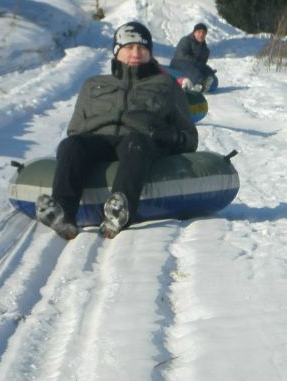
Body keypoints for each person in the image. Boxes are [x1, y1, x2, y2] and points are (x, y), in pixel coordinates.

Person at [35, 21, 199, 240]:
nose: (135, 53)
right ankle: (64, 214)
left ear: (149, 53)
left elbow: (190, 137)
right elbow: (74, 130)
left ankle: (119, 211)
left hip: (141, 143)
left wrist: (169, 136)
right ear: (116, 51)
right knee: (71, 145)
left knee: (135, 142)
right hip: (99, 142)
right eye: (128, 47)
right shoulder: (93, 85)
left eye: (142, 48)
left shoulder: (166, 85)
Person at [169, 22, 216, 92]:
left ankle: (208, 85)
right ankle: (200, 83)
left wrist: (208, 71)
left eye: (204, 32)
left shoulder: (205, 49)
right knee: (188, 65)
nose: (201, 34)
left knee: (211, 76)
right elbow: (181, 56)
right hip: (178, 64)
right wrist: (198, 64)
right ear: (194, 32)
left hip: (194, 67)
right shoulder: (186, 40)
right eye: (199, 32)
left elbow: (202, 65)